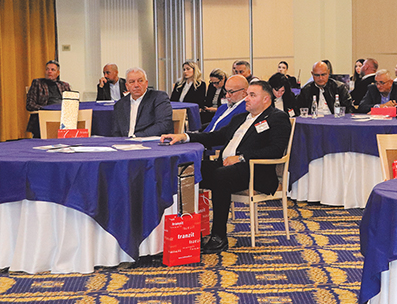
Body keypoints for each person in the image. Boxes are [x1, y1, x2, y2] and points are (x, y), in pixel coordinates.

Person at [161, 80, 292, 254]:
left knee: (221, 176)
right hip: (225, 166)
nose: (246, 98)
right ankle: (187, 230)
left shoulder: (277, 118)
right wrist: (185, 136)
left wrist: (241, 158)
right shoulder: (240, 118)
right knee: (187, 170)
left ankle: (219, 236)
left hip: (255, 171)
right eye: (247, 94)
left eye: (252, 95)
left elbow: (276, 150)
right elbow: (216, 136)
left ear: (266, 99)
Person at [111, 68, 173, 137]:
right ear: (127, 86)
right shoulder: (120, 104)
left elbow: (164, 125)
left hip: (149, 141)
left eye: (140, 81)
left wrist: (135, 137)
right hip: (124, 142)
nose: (136, 85)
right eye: (132, 82)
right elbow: (116, 132)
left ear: (146, 83)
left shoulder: (158, 98)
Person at [26, 60, 72, 136]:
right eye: (47, 69)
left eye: (52, 70)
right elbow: (30, 104)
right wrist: (45, 109)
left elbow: (72, 103)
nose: (49, 71)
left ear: (58, 73)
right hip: (44, 116)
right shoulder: (37, 83)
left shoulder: (64, 85)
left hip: (62, 116)